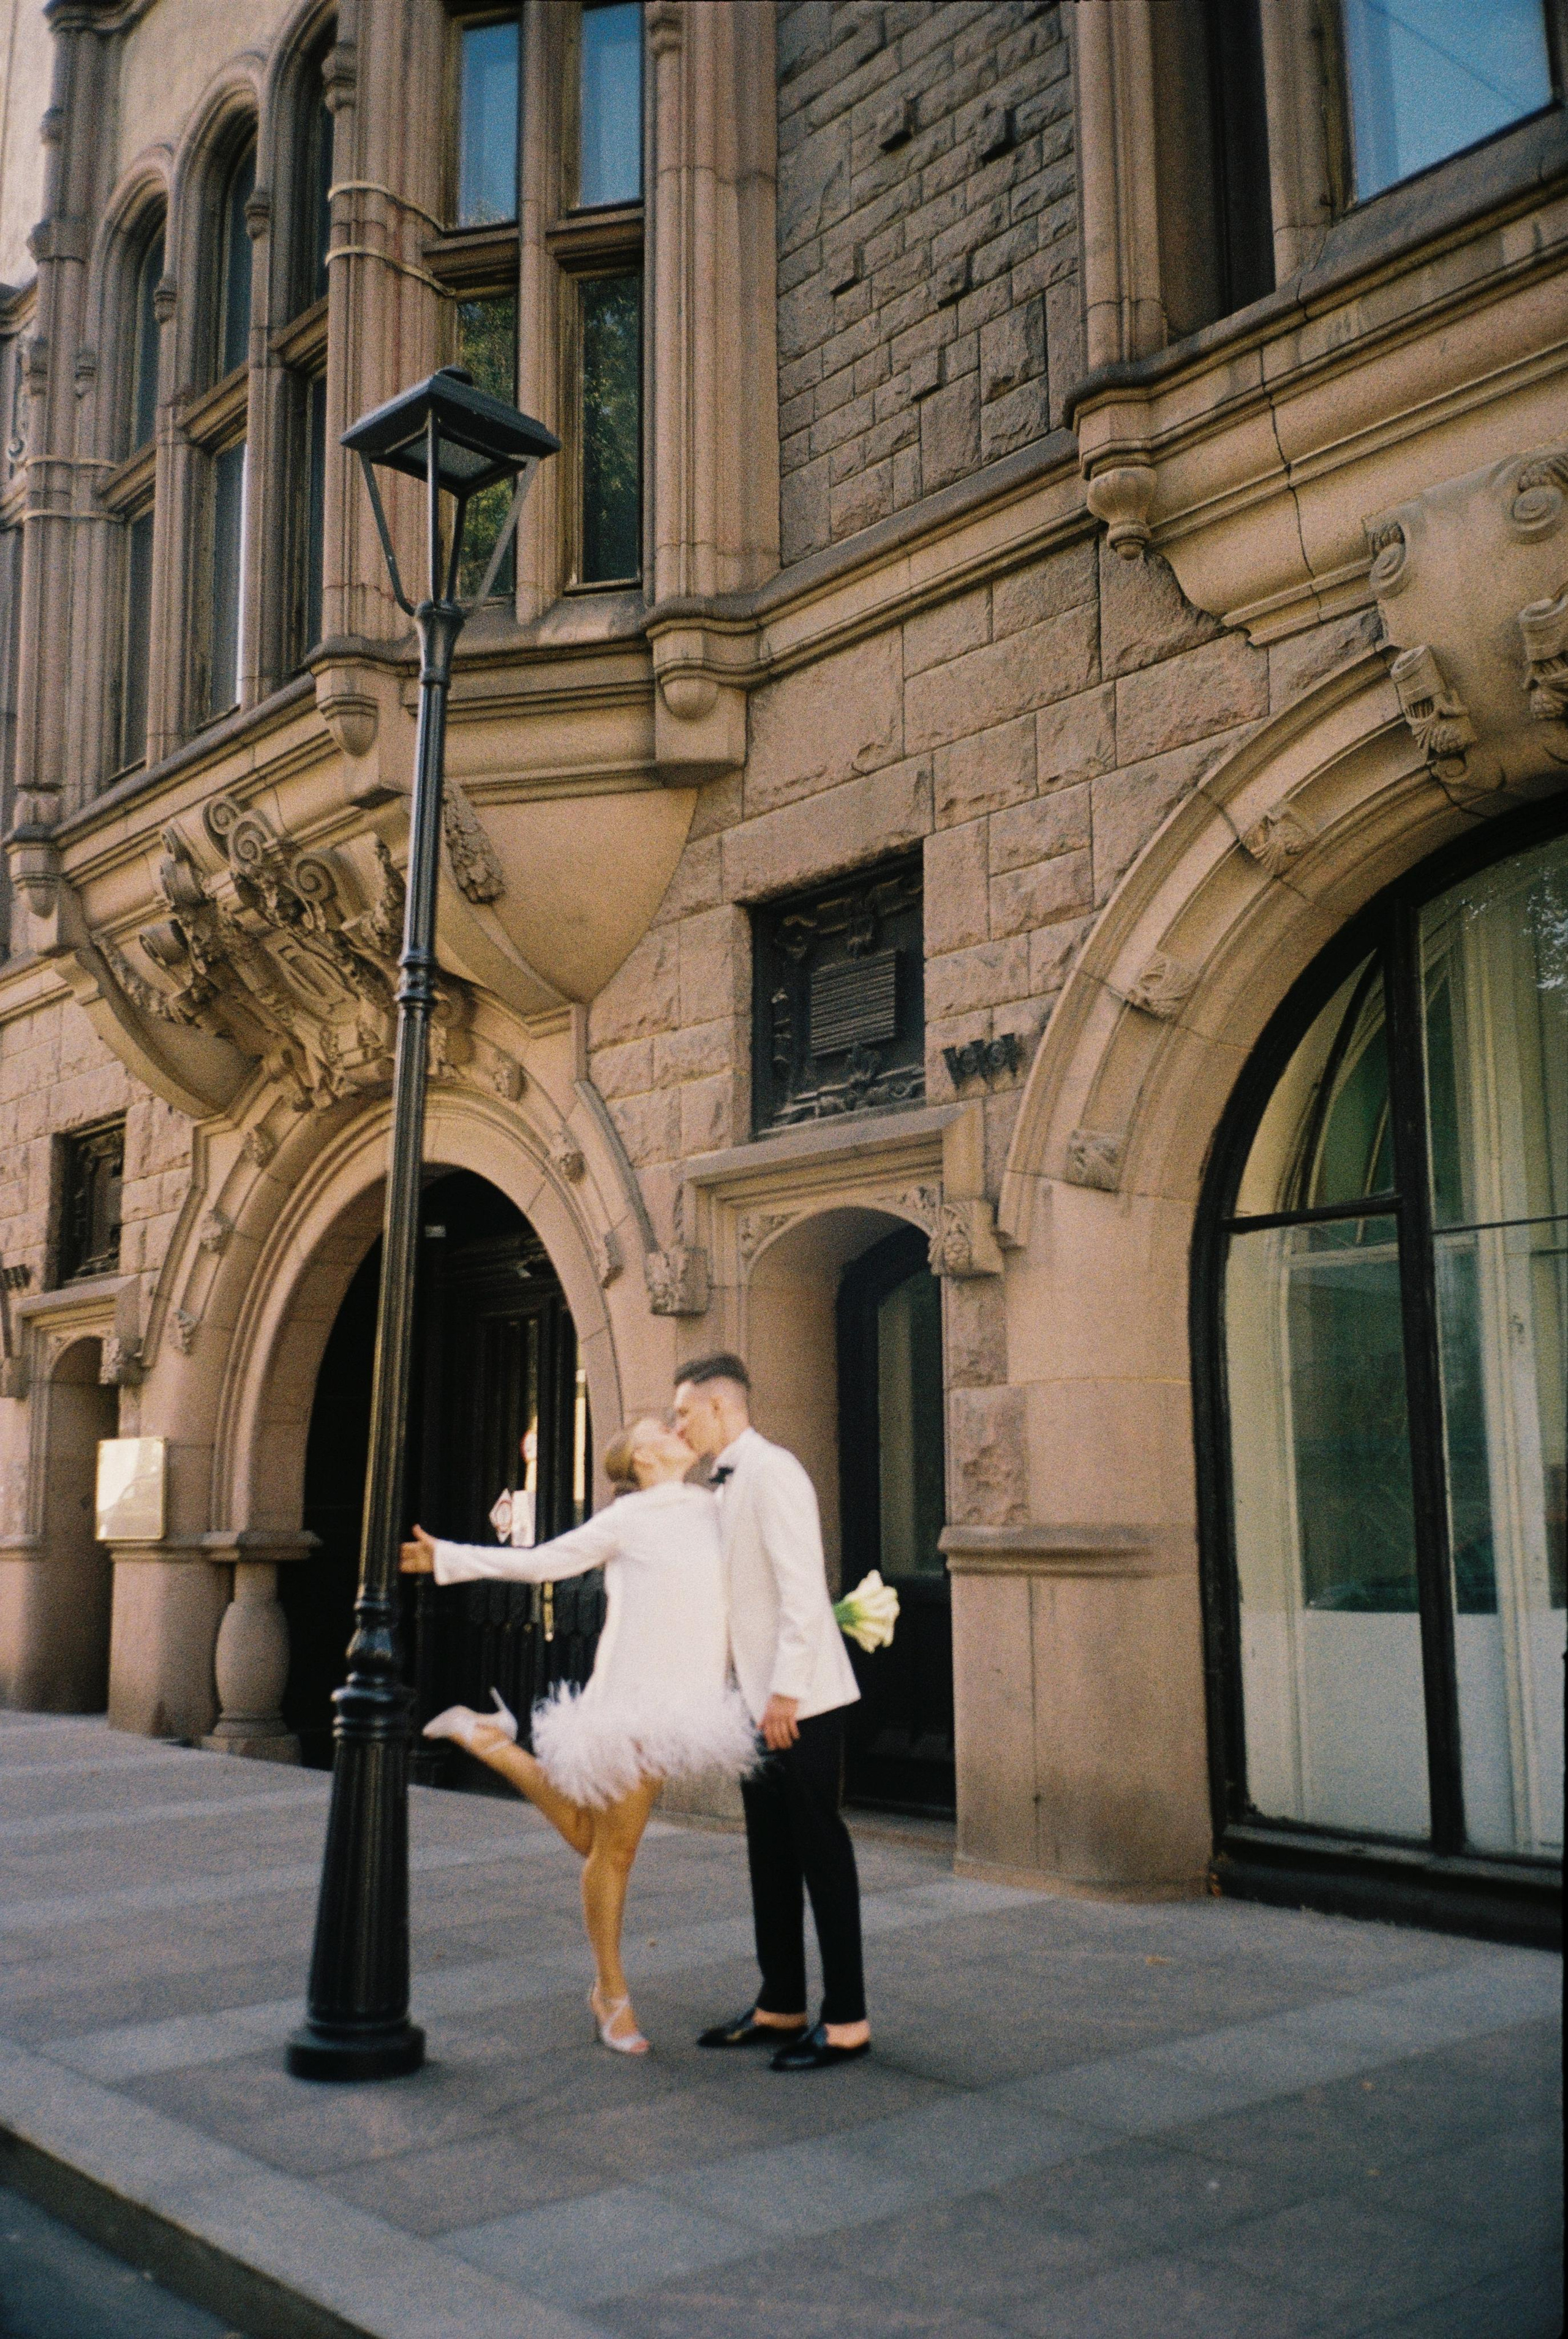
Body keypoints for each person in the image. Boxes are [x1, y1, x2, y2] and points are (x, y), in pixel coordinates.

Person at [398, 1415, 755, 2056]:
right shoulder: (627, 1519)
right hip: (631, 1703)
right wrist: (447, 1556)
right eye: (663, 1428)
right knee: (611, 1852)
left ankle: (487, 1740)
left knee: (592, 1839)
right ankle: (610, 1994)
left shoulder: (714, 1506)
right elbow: (541, 1564)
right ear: (642, 1457)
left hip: (681, 1703)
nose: (679, 1431)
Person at [672, 1353, 871, 2072]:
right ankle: (780, 2001)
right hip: (753, 1707)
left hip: (801, 1704)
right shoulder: (718, 1487)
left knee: (821, 1854)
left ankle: (846, 2018)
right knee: (769, 1857)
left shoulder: (774, 1471)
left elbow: (802, 1589)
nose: (677, 1425)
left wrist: (786, 1693)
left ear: (722, 1409)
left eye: (684, 1412)